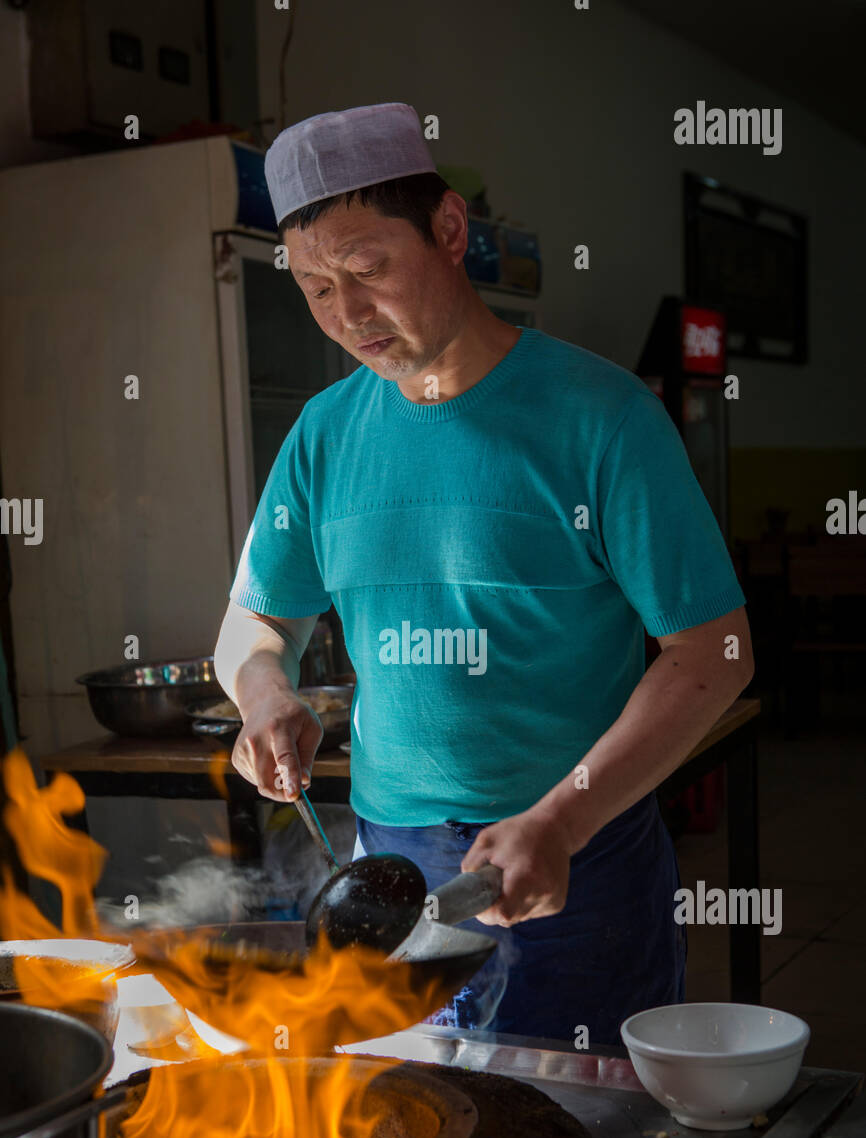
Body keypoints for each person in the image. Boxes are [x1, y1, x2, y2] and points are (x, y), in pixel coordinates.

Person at [214, 102, 754, 1045]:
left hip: (577, 860)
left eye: (367, 270)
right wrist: (264, 694)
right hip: (389, 876)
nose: (348, 315)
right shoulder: (325, 437)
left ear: (450, 230)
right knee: (417, 1134)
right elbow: (255, 628)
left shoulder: (604, 421)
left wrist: (562, 819)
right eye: (313, 289)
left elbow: (717, 653)